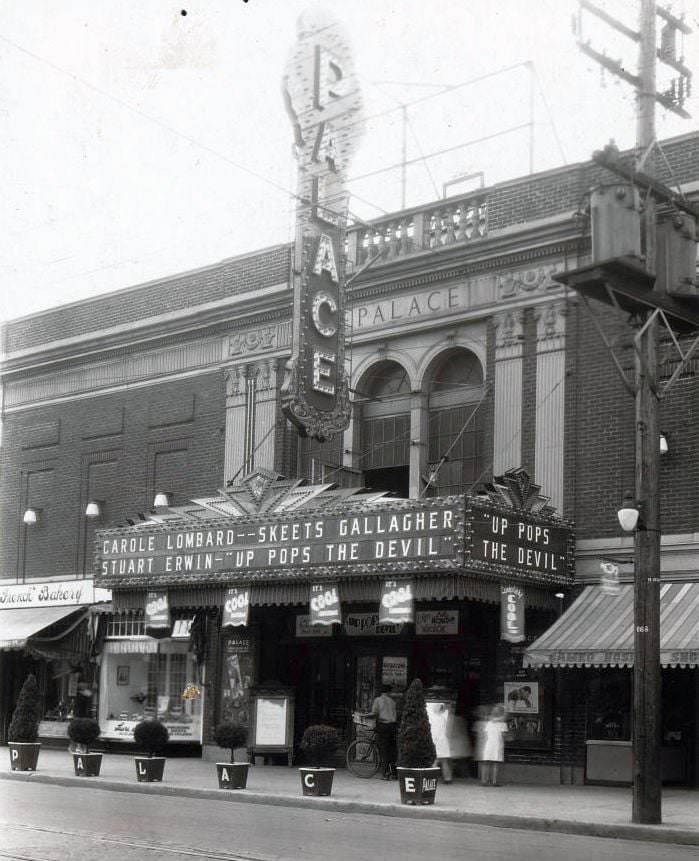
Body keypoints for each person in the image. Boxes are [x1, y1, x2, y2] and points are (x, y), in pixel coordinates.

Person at [365, 685, 397, 779]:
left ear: (381, 692)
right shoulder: (392, 701)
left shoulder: (378, 700)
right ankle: (394, 773)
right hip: (392, 726)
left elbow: (374, 713)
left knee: (384, 750)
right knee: (392, 750)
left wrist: (364, 715)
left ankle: (385, 773)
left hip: (383, 726)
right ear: (388, 692)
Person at [474, 704, 508, 786]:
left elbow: (486, 733)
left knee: (486, 763)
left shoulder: (489, 723)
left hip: (489, 745)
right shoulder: (503, 724)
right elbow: (504, 736)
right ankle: (494, 781)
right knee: (495, 764)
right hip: (497, 745)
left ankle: (484, 781)